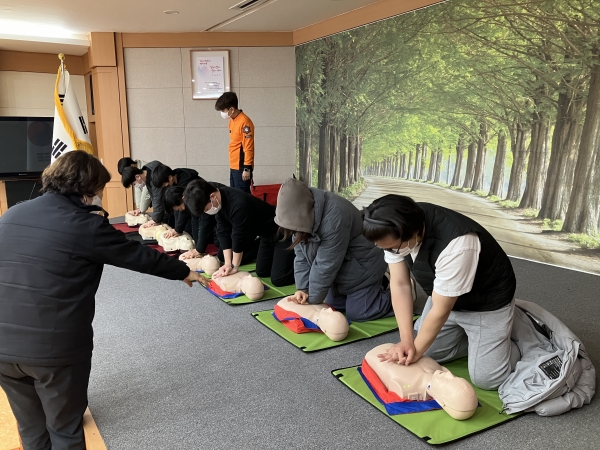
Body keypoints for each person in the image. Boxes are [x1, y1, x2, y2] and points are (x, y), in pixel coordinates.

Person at [0, 151, 201, 450]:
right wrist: (183, 271)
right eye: (98, 190)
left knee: (31, 428)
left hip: (4, 348)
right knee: (65, 429)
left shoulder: (12, 214)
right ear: (86, 189)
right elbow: (136, 255)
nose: (98, 196)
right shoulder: (85, 225)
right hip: (54, 351)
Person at [361, 195, 517, 390]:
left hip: (486, 302)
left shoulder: (458, 243)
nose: (389, 251)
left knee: (487, 379)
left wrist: (415, 351)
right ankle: (479, 340)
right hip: (444, 296)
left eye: (392, 248)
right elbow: (400, 284)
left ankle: (513, 334)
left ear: (413, 232)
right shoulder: (391, 229)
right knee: (424, 351)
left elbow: (442, 309)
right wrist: (406, 340)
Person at [274, 177, 391, 322]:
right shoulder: (300, 217)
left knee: (359, 313)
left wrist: (311, 301)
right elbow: (301, 256)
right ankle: (379, 283)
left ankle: (399, 292)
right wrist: (302, 289)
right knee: (333, 305)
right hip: (346, 267)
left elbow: (326, 264)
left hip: (365, 264)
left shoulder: (335, 215)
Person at [184, 178, 295, 287]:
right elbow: (223, 232)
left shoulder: (238, 204)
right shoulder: (219, 202)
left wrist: (234, 267)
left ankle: (298, 254)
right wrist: (228, 263)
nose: (207, 212)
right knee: (262, 272)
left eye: (205, 209)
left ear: (212, 197)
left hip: (283, 232)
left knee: (279, 279)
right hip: (265, 235)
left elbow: (238, 239)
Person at [364, 343, 478, 420]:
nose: (448, 374)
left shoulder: (404, 387)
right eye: (455, 377)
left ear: (441, 401)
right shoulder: (440, 369)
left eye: (449, 381)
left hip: (377, 355)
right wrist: (406, 340)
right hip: (391, 349)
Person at [163, 183, 224, 259]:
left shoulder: (197, 198)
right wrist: (196, 245)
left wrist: (199, 250)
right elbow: (194, 221)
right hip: (216, 217)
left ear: (183, 198)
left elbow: (206, 223)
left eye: (179, 208)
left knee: (220, 246)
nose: (181, 210)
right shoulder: (187, 201)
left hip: (222, 215)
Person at [215, 92, 255, 193]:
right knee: (234, 195)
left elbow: (248, 146)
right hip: (233, 165)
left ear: (231, 109)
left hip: (241, 167)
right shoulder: (232, 121)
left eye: (223, 110)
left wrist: (247, 168)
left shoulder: (245, 122)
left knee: (243, 198)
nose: (222, 113)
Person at [151, 164, 199, 239]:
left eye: (164, 185)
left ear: (170, 177)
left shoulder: (187, 183)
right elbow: (177, 208)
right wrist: (176, 228)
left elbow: (184, 206)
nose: (165, 187)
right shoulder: (173, 183)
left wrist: (178, 229)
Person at [121, 160, 170, 228]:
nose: (136, 186)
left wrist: (155, 220)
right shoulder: (148, 169)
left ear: (138, 177)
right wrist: (140, 209)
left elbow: (157, 200)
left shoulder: (154, 178)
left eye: (134, 184)